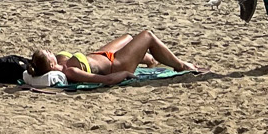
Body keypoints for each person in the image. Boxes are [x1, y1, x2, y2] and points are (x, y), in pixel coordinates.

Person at [26, 29, 203, 87]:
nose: (50, 50)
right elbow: (105, 80)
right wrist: (125, 74)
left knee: (128, 37)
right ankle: (181, 65)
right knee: (147, 36)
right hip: (116, 65)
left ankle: (146, 58)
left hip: (103, 55)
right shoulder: (70, 71)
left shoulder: (60, 60)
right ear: (51, 63)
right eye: (47, 52)